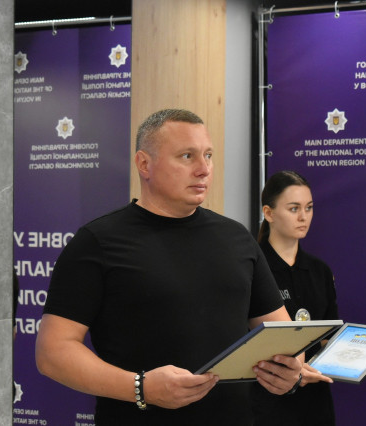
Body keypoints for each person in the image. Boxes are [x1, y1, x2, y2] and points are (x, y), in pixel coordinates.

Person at [35, 109, 302, 425]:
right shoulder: (98, 241)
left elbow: (282, 335)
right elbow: (53, 353)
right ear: (144, 164)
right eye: (187, 156)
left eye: (208, 155)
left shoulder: (237, 238)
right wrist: (141, 388)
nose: (203, 169)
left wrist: (291, 371)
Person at [252, 170, 339, 426]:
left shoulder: (320, 271)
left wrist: (355, 353)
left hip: (315, 402)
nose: (303, 217)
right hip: (266, 402)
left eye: (308, 208)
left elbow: (329, 336)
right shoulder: (252, 266)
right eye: (294, 209)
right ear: (268, 213)